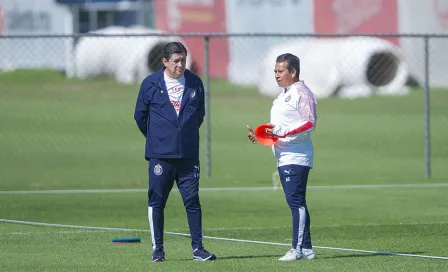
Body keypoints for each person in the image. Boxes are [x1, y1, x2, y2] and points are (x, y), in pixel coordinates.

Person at [134, 42, 216, 262]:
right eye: (176, 61)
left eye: (183, 60)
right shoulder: (150, 84)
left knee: (192, 201)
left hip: (188, 155)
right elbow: (140, 117)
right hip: (161, 156)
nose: (180, 65)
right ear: (165, 62)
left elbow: (199, 115)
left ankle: (198, 248)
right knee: (157, 201)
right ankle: (158, 250)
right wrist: (158, 138)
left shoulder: (194, 83)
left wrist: (183, 136)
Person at [246, 53, 317, 261]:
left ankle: (296, 249)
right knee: (296, 202)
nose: (276, 75)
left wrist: (282, 133)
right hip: (284, 156)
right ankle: (307, 249)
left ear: (293, 72)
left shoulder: (301, 93)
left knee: (296, 202)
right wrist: (259, 135)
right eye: (274, 71)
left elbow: (309, 122)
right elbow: (277, 128)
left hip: (297, 156)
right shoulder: (284, 94)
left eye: (280, 71)